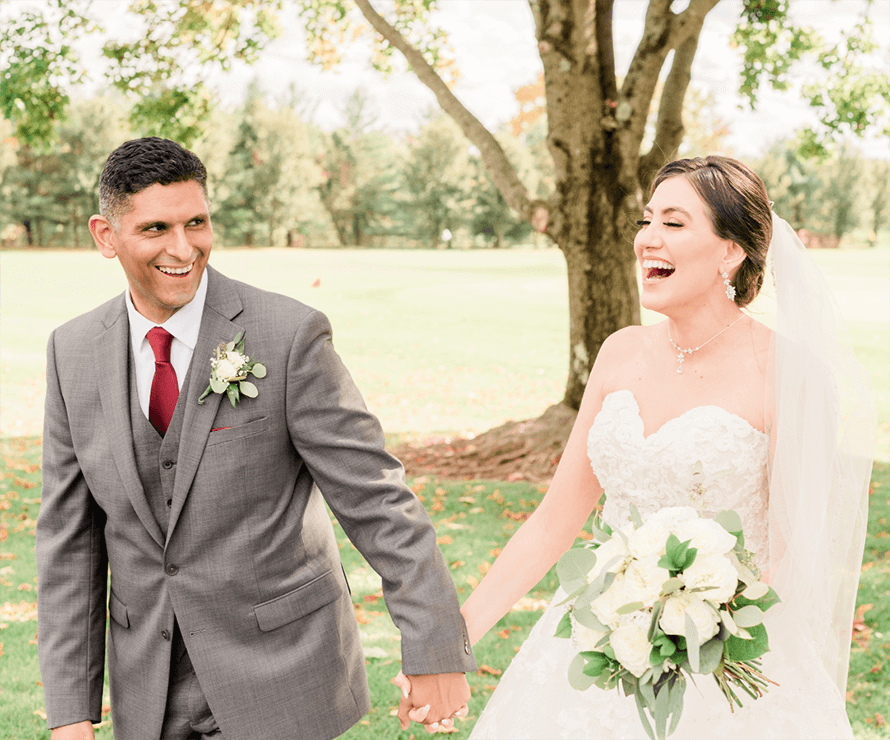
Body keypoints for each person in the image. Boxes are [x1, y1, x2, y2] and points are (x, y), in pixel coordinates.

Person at [409, 155, 873, 738]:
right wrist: (453, 642)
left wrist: (697, 633)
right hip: (598, 638)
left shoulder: (790, 373)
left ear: (731, 250)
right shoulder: (620, 352)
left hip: (728, 661)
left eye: (674, 224)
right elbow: (555, 521)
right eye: (646, 220)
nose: (648, 239)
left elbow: (790, 557)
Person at [36, 136, 474, 740]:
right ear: (106, 236)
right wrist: (70, 711)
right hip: (150, 692)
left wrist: (434, 647)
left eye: (197, 222)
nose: (183, 248)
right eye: (156, 228)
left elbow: (375, 498)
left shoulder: (288, 335)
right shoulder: (72, 352)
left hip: (284, 676)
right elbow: (70, 545)